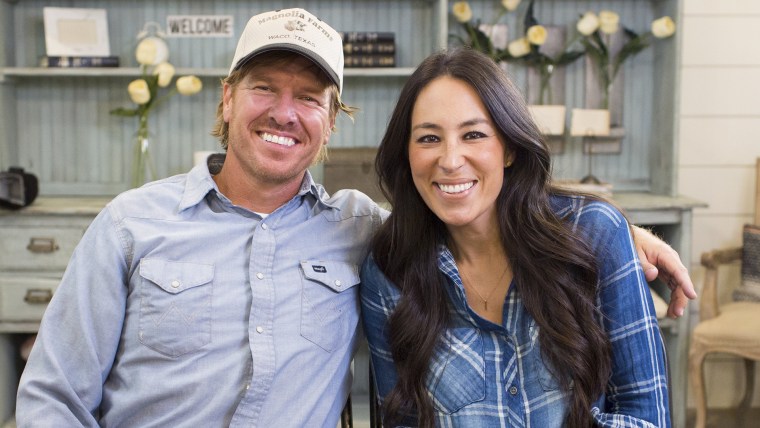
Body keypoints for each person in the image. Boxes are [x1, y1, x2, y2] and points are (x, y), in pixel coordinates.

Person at [16, 7, 690, 428]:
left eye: (310, 97)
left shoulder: (363, 230)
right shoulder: (132, 224)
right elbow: (51, 398)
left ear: (332, 123)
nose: (285, 111)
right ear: (225, 101)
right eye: (263, 89)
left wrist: (610, 232)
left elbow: (469, 203)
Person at [360, 47, 670, 427]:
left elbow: (647, 414)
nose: (451, 160)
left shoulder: (595, 235)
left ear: (508, 148)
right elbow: (400, 420)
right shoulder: (389, 271)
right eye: (428, 139)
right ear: (406, 153)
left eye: (473, 134)